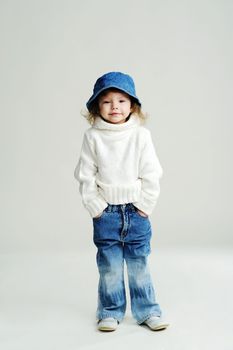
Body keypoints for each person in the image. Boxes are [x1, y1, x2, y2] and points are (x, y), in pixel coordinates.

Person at [74, 71, 169, 332]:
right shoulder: (92, 137)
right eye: (106, 101)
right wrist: (96, 208)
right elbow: (85, 175)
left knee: (139, 265)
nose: (114, 106)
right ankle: (110, 311)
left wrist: (144, 207)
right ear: (96, 107)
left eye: (121, 100)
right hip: (107, 215)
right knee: (110, 268)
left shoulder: (141, 135)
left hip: (135, 212)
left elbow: (152, 173)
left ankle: (147, 310)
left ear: (132, 106)